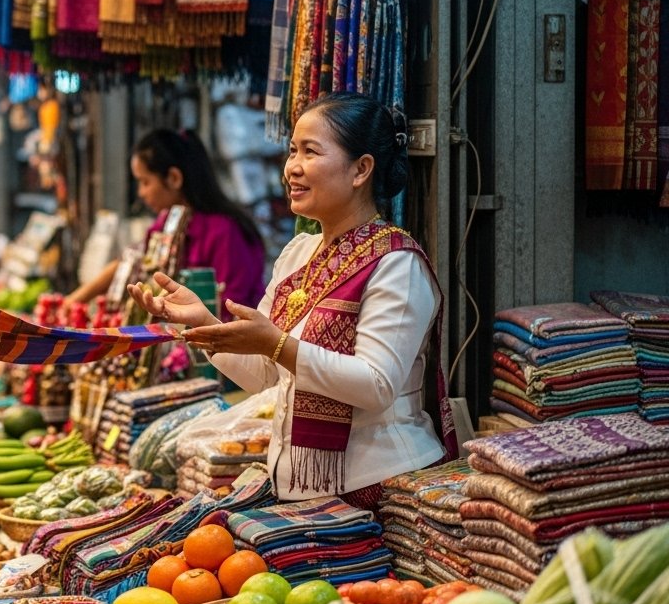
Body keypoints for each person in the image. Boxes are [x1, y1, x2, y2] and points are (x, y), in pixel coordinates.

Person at [129, 93, 457, 508]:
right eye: (291, 150)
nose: (292, 168)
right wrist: (201, 323)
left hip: (378, 488)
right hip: (303, 490)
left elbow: (376, 385)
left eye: (310, 152)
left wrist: (277, 344)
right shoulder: (299, 253)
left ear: (361, 169)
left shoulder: (396, 263)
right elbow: (267, 375)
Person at [69, 129, 266, 316]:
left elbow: (230, 311)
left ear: (173, 178)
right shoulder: (165, 225)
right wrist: (72, 302)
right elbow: (129, 262)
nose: (141, 193)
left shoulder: (226, 233)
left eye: (145, 182)